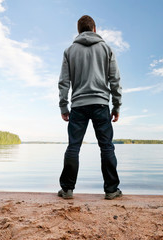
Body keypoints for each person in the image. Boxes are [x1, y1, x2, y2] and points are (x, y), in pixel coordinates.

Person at [58, 15, 122, 200]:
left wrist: (64, 107)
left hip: (78, 105)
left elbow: (64, 82)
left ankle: (67, 189)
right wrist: (116, 106)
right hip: (101, 104)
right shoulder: (106, 49)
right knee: (107, 147)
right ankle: (111, 190)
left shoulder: (69, 51)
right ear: (94, 29)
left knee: (74, 147)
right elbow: (115, 80)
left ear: (79, 31)